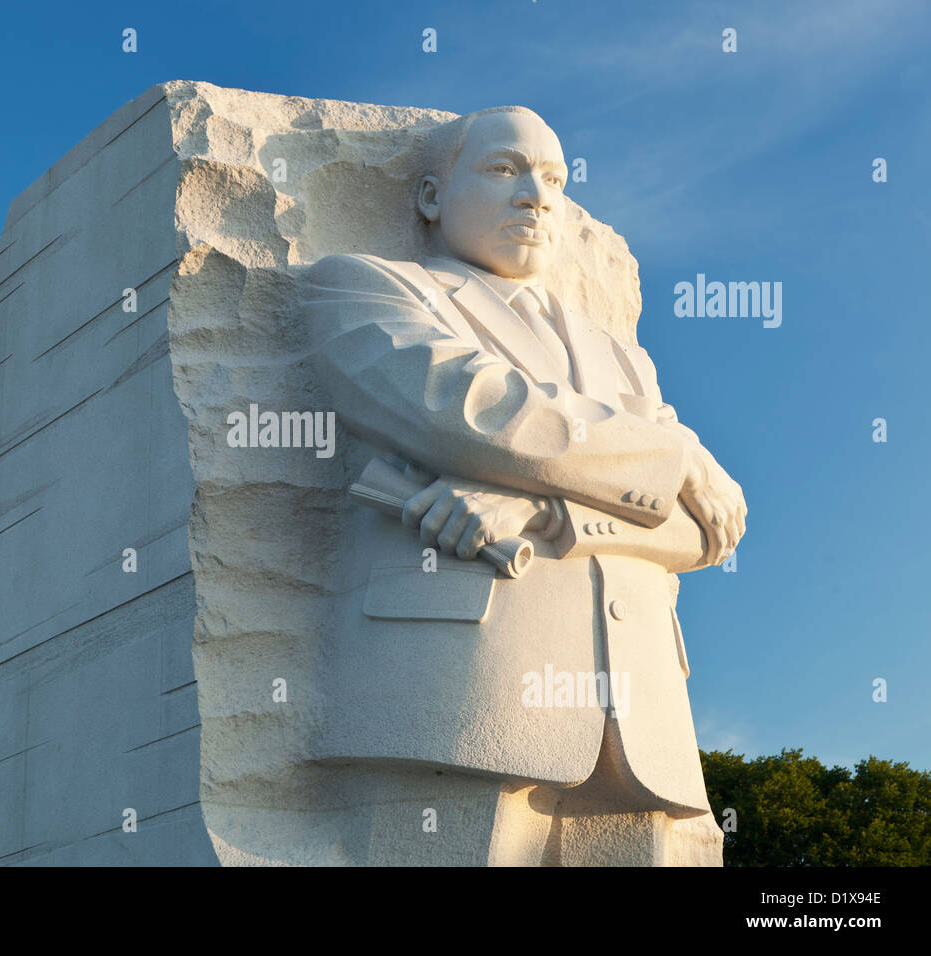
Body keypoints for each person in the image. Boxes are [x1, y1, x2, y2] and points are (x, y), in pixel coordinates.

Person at [298, 106, 747, 865]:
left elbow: (707, 527)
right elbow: (475, 410)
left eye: (554, 180)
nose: (536, 196)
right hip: (461, 697)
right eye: (504, 170)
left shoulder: (621, 360)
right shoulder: (365, 289)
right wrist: (673, 451)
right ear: (434, 197)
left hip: (641, 725)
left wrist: (542, 508)